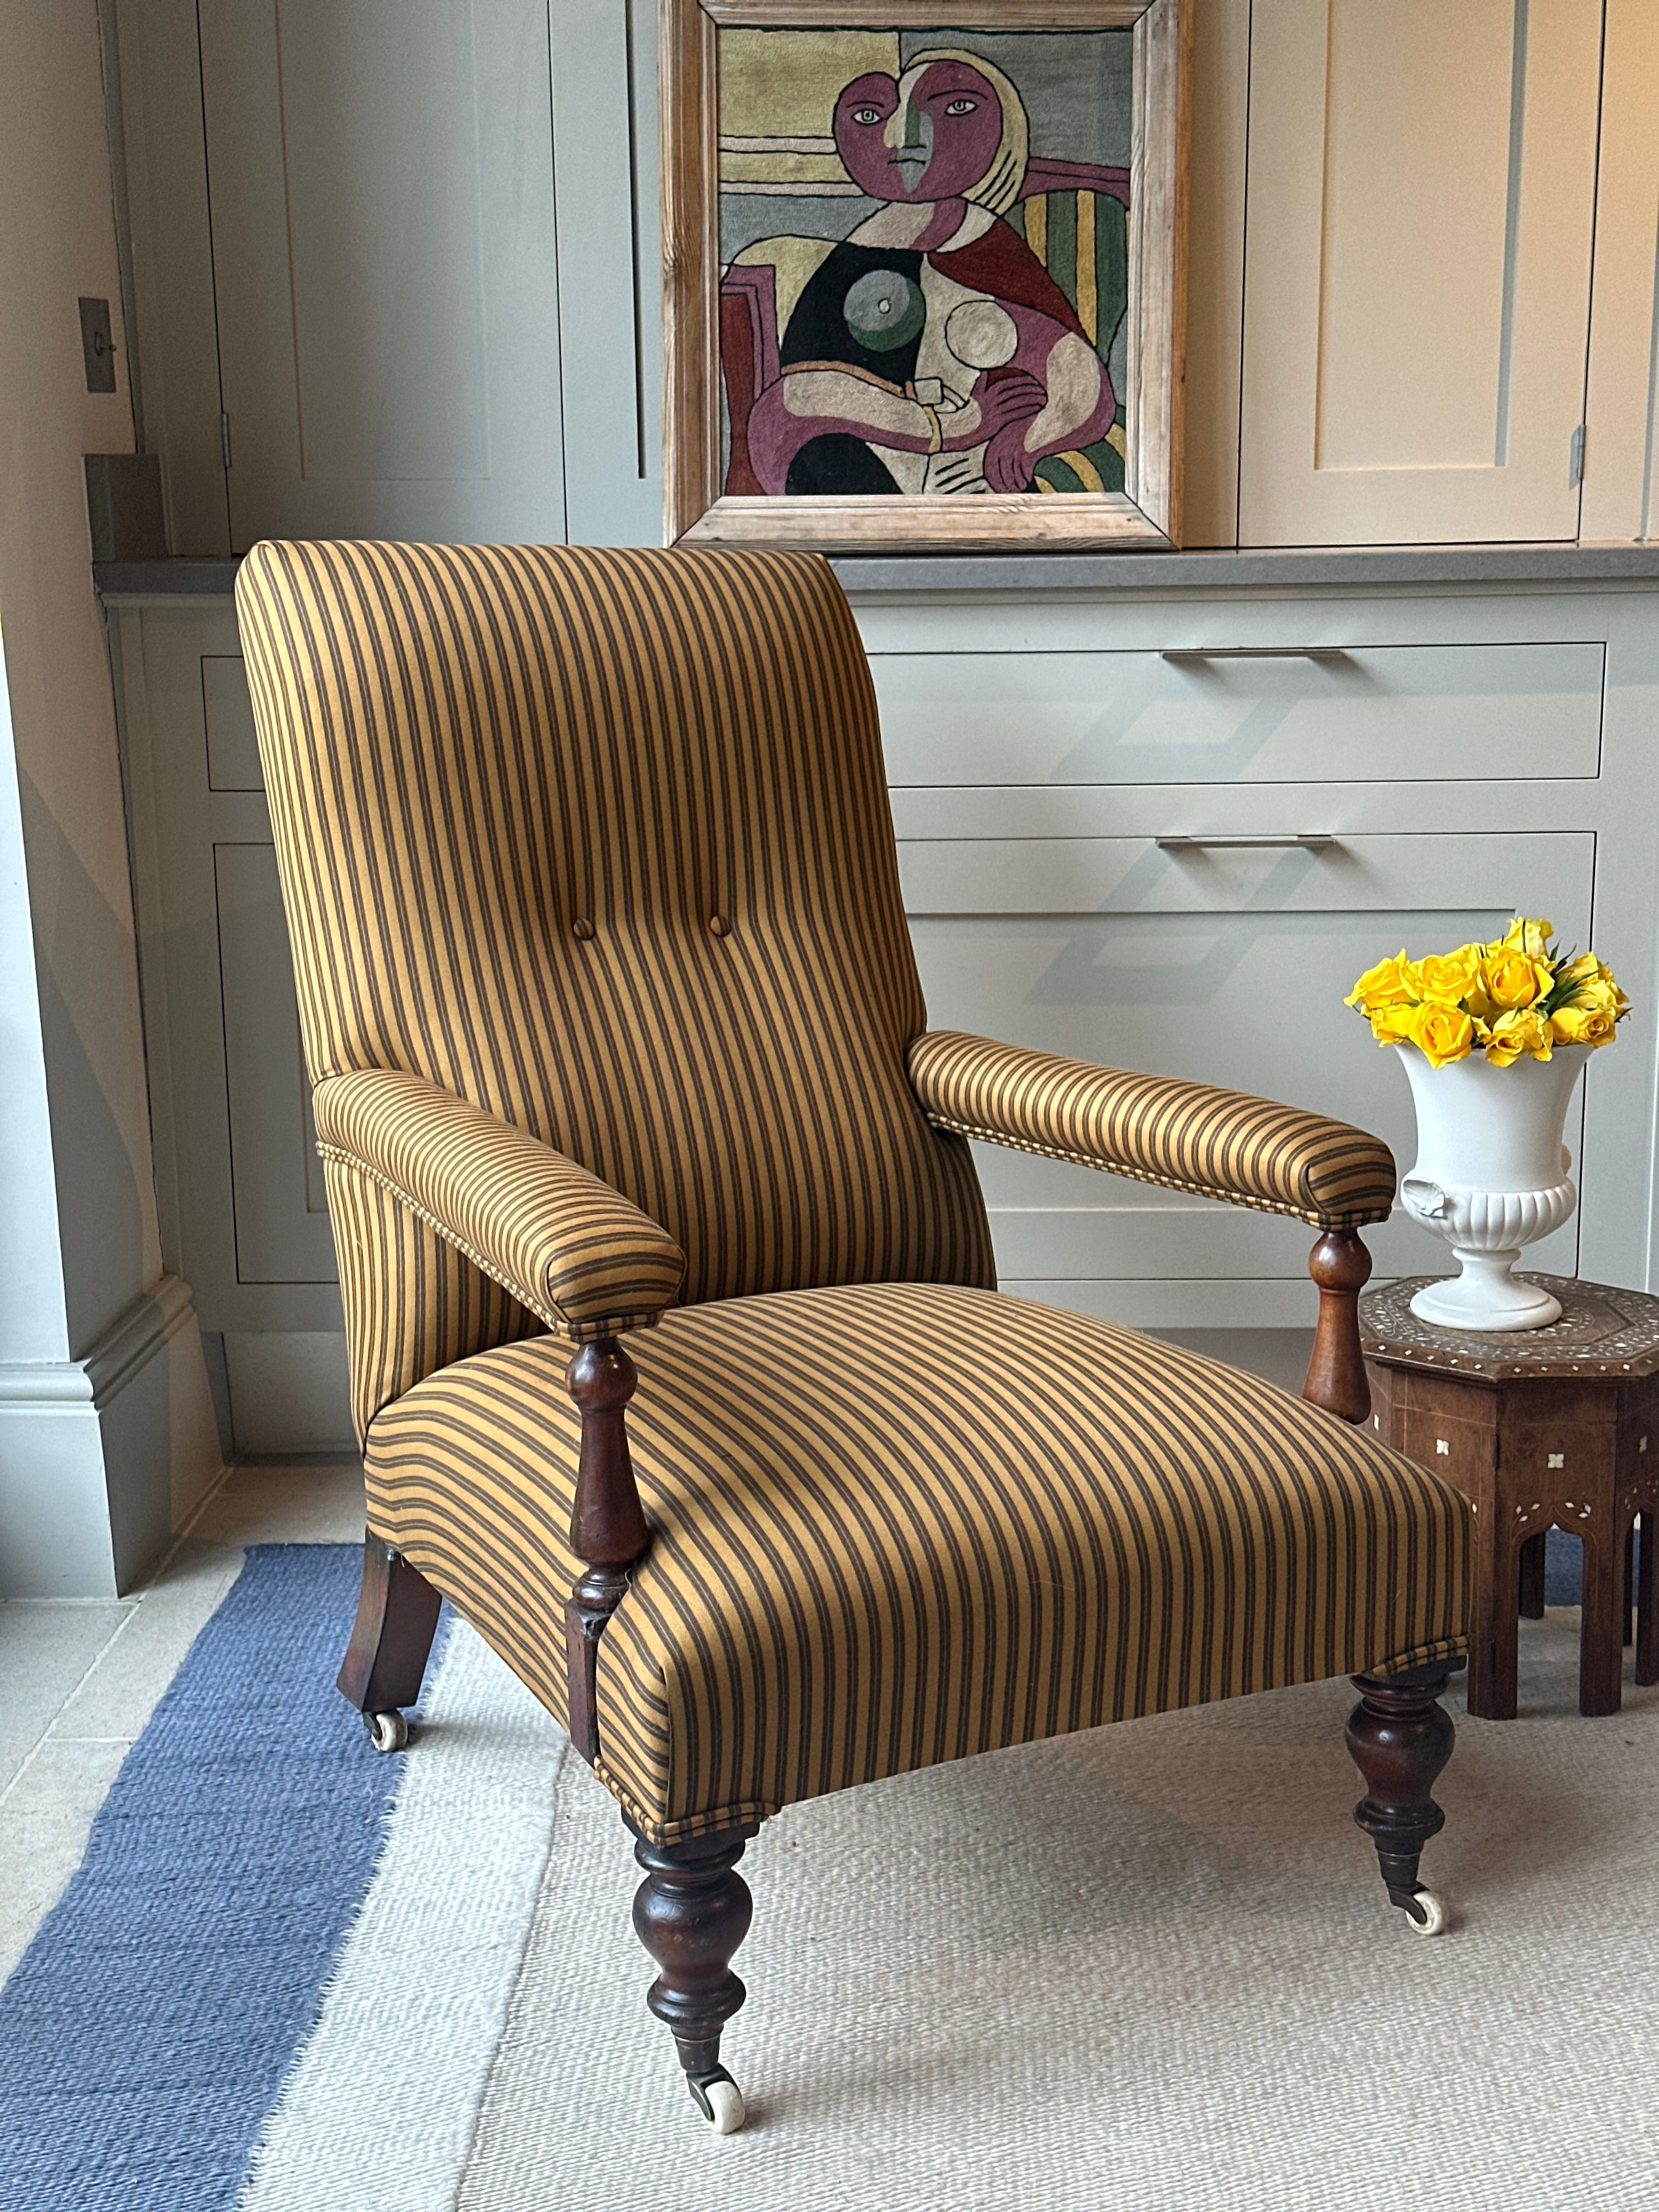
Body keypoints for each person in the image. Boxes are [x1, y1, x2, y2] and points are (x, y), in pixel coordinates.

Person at [734, 49, 1116, 496]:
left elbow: (1077, 378)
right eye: (871, 116)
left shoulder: (985, 246)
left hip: (967, 479)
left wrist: (1028, 441)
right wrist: (953, 425)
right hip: (867, 463)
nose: (904, 139)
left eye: (955, 109)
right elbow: (795, 403)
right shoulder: (859, 251)